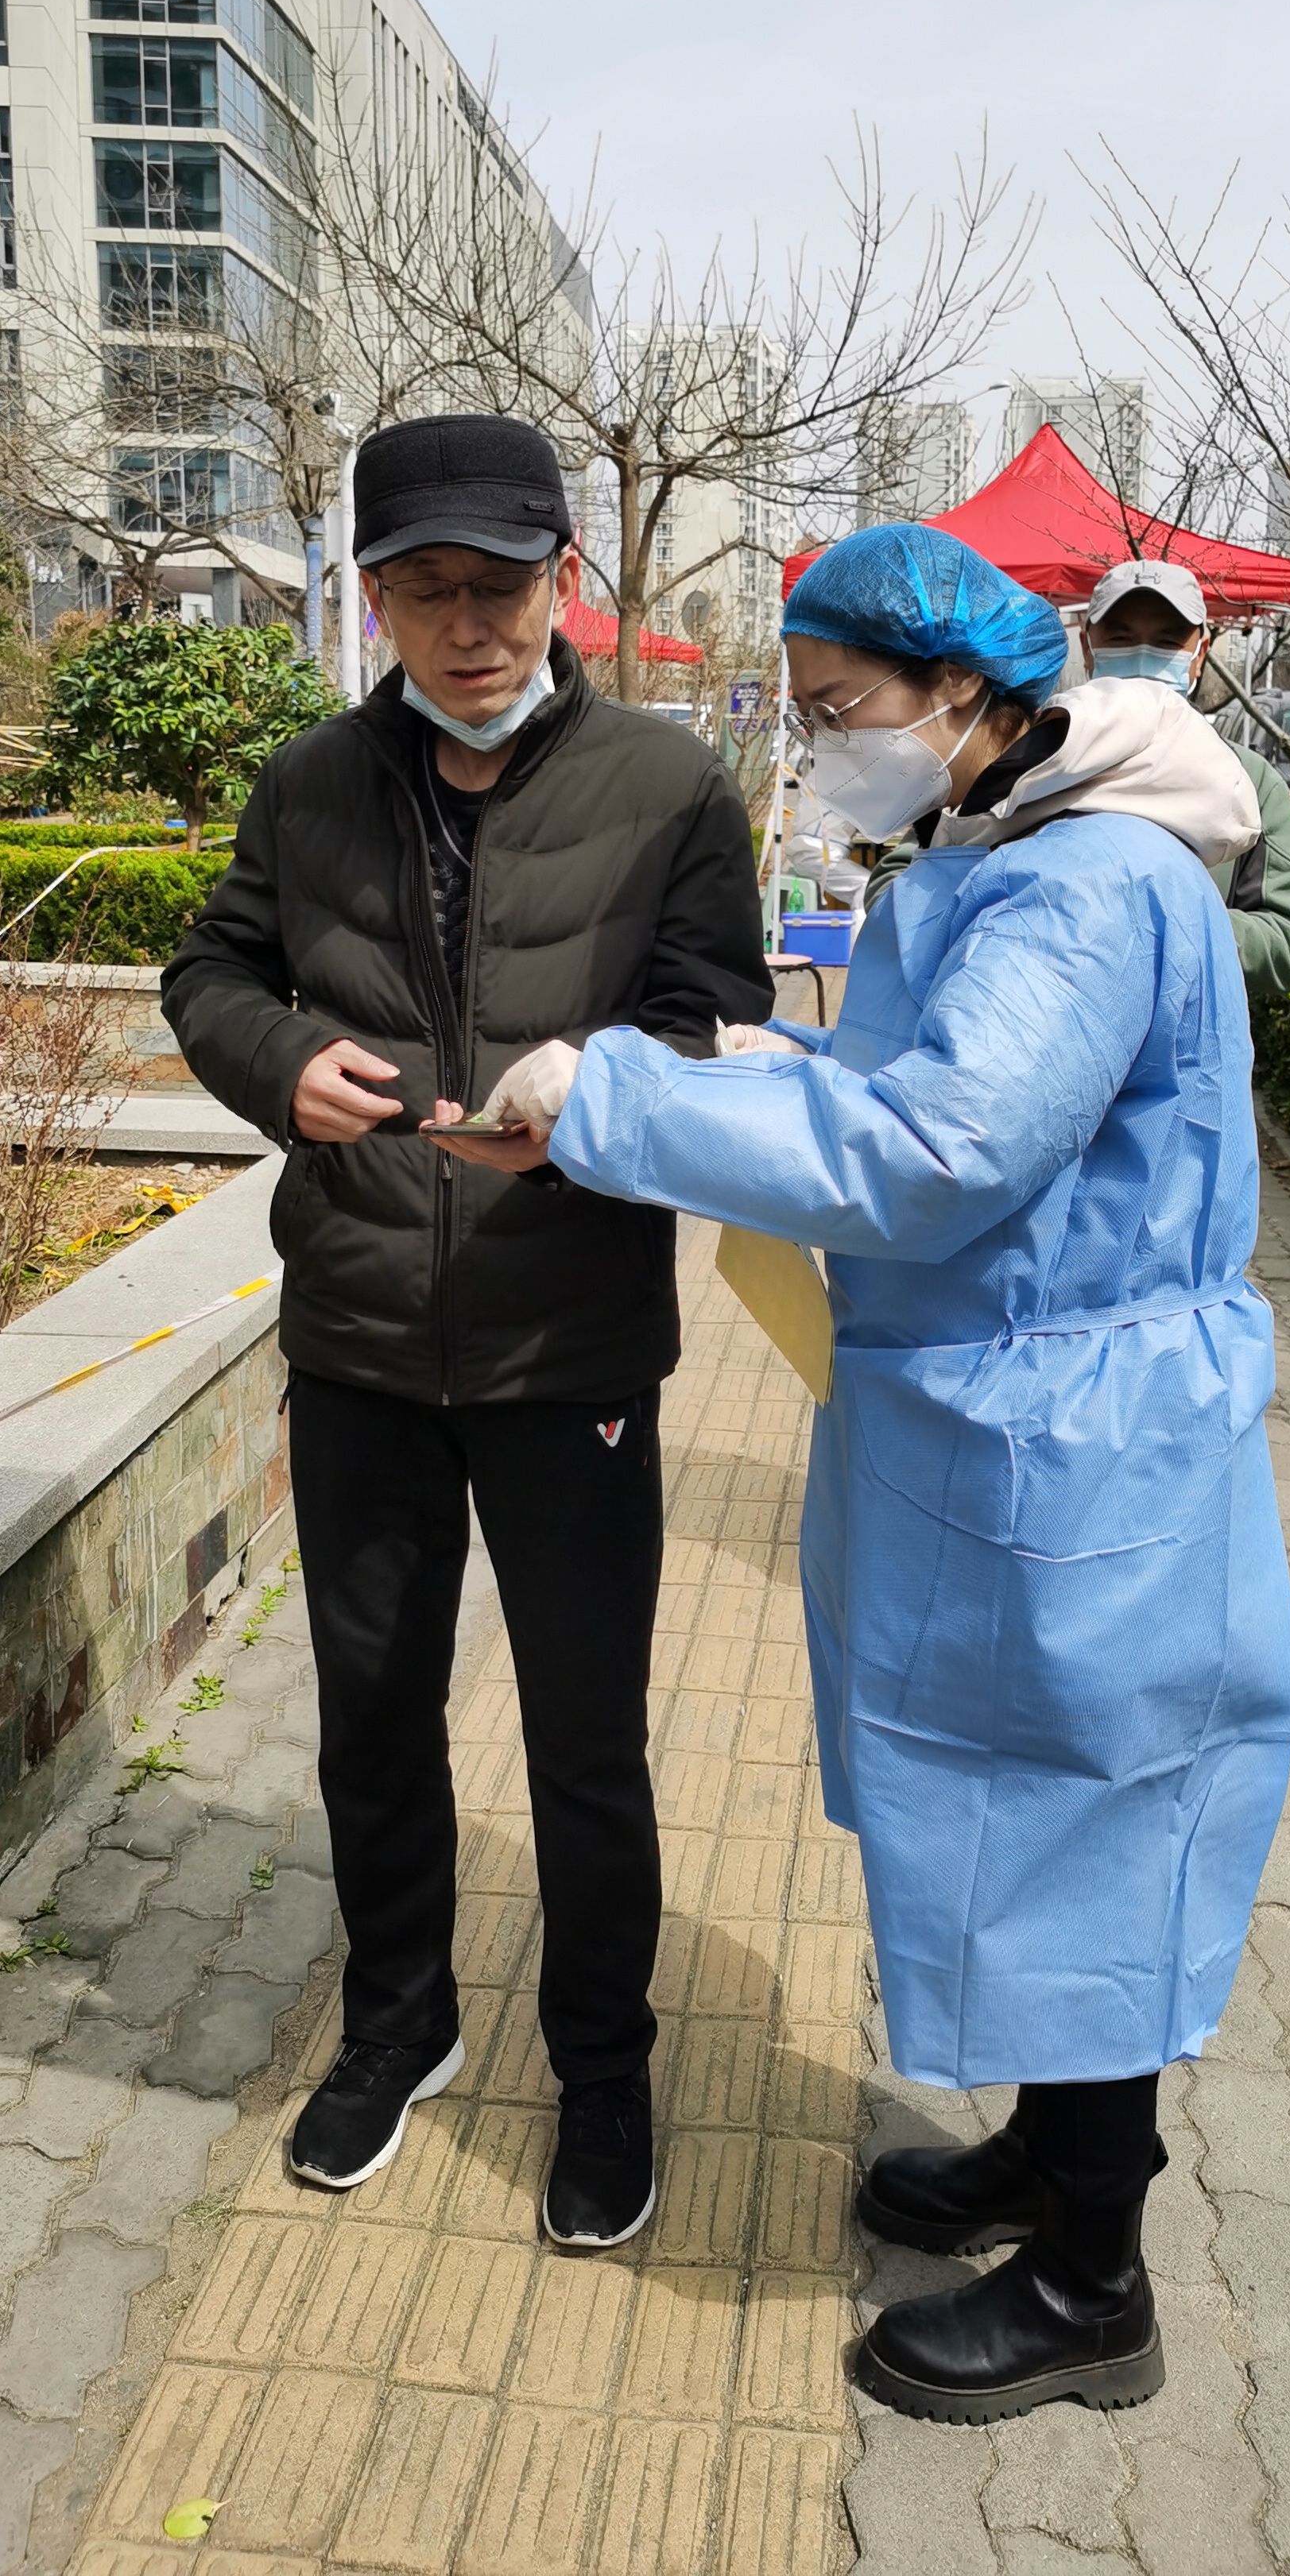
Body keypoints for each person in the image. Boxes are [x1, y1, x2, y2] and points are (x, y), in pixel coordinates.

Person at [430, 521, 1290, 2423]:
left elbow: (933, 1153)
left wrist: (618, 1098)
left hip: (1070, 1446)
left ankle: (1093, 2283)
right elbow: (903, 1099)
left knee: (1076, 1827)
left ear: (962, 693)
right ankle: (1048, 2156)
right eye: (805, 712)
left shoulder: (1079, 887)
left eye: (840, 712)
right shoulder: (999, 853)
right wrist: (735, 1077)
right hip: (1005, 1420)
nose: (822, 747)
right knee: (1013, 1816)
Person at [161, 412, 773, 2251]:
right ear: (373, 599)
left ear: (561, 580)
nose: (469, 625)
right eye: (424, 589)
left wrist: (595, 1087)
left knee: (584, 1742)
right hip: (358, 1336)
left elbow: (711, 1012)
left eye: (500, 585)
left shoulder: (667, 787)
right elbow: (210, 970)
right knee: (371, 1717)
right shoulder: (308, 786)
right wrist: (281, 1060)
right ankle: (398, 2024)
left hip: (567, 1343)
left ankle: (602, 2074)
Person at [1083, 556, 1290, 1000]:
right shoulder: (1040, 764)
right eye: (1121, 639)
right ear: (1087, 647)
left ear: (1199, 655)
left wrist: (1174, 923)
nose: (1143, 656)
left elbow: (1289, 943)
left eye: (1167, 642)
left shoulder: (1250, 782)